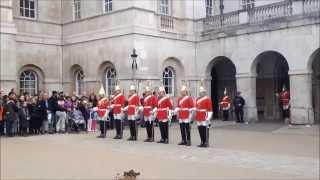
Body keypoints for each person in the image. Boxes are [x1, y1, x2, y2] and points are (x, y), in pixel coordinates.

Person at [195, 83, 213, 148]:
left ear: (204, 92)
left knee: (205, 129)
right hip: (199, 115)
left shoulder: (207, 99)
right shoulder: (197, 99)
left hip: (204, 115)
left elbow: (210, 110)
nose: (200, 94)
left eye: (202, 92)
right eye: (200, 93)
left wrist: (208, 118)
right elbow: (196, 107)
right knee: (200, 129)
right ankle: (202, 141)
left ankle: (206, 142)